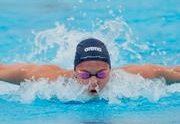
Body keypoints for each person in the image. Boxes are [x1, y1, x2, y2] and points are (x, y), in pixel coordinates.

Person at [0, 38, 179, 95]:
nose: (93, 82)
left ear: (110, 69)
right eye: (85, 75)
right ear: (74, 72)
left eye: (101, 75)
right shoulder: (50, 80)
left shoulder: (130, 79)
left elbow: (165, 71)